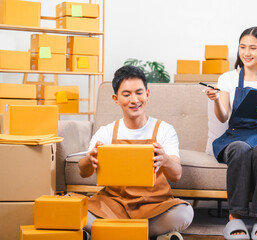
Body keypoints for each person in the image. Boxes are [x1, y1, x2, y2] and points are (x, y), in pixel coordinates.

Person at [78, 65, 194, 240]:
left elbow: (176, 175)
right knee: (74, 208)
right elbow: (83, 171)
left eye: (139, 92)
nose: (134, 100)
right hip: (114, 204)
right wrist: (89, 159)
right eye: (127, 94)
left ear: (147, 94)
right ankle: (143, 234)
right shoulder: (107, 132)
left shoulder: (164, 130)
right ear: (116, 99)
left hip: (154, 204)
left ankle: (114, 232)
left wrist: (165, 160)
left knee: (184, 212)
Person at [204, 26, 257, 240]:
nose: (246, 53)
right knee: (240, 148)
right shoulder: (228, 79)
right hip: (235, 135)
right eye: (242, 47)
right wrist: (215, 100)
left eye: (253, 47)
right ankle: (235, 217)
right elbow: (224, 117)